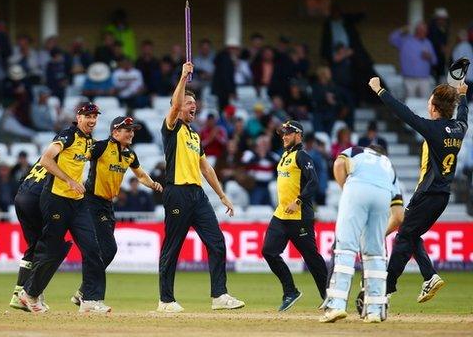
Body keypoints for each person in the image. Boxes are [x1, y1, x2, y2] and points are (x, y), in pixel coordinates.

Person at [368, 76, 468, 303]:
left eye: (429, 102)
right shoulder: (459, 128)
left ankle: (386, 287)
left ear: (434, 107)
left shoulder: (433, 129)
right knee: (411, 234)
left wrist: (379, 91)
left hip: (427, 193)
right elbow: (464, 116)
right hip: (441, 196)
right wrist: (462, 95)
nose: (427, 105)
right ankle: (429, 275)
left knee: (404, 237)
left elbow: (404, 113)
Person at [157, 62, 244, 313]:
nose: (192, 106)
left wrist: (222, 196)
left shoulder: (195, 136)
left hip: (197, 194)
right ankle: (166, 300)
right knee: (172, 247)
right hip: (177, 193)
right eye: (188, 103)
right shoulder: (171, 128)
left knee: (216, 241)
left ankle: (219, 295)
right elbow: (174, 105)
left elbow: (206, 168)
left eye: (194, 104)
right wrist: (183, 77)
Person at [19, 102, 110, 314]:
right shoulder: (68, 135)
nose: (92, 120)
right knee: (52, 251)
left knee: (93, 248)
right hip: (55, 199)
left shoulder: (89, 142)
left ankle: (90, 300)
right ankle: (29, 293)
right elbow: (45, 160)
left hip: (77, 203)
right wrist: (68, 179)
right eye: (88, 116)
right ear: (78, 117)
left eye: (95, 116)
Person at [70, 116, 162, 305]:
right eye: (127, 130)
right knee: (105, 249)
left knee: (107, 252)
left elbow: (140, 174)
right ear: (115, 132)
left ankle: (84, 291)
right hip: (91, 201)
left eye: (133, 130)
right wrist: (71, 180)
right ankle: (90, 296)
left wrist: (153, 184)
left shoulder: (129, 154)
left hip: (107, 205)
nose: (131, 133)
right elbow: (78, 159)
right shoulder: (102, 147)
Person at [319, 145, 399, 323]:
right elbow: (399, 216)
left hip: (357, 189)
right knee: (375, 254)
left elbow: (339, 163)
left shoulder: (357, 151)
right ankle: (375, 310)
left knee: (345, 248)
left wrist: (346, 189)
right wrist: (378, 236)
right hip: (383, 195)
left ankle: (336, 306)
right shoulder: (388, 165)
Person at [261, 120, 328, 312]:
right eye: (283, 133)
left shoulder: (302, 155)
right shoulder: (285, 156)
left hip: (300, 216)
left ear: (298, 135)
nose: (284, 136)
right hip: (281, 215)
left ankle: (329, 295)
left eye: (288, 133)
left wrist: (298, 201)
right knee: (268, 251)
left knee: (311, 257)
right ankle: (290, 291)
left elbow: (314, 182)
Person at [8, 157, 73, 311]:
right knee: (45, 247)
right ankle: (31, 293)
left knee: (34, 245)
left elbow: (24, 177)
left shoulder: (45, 157)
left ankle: (19, 293)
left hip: (21, 197)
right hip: (36, 200)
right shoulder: (67, 159)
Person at [389, 22, 437, 99]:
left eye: (425, 30)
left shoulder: (428, 43)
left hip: (424, 78)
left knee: (425, 103)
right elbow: (392, 39)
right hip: (409, 78)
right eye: (422, 30)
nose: (424, 32)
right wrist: (402, 30)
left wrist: (429, 57)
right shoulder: (405, 40)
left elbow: (435, 60)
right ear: (417, 30)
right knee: (410, 102)